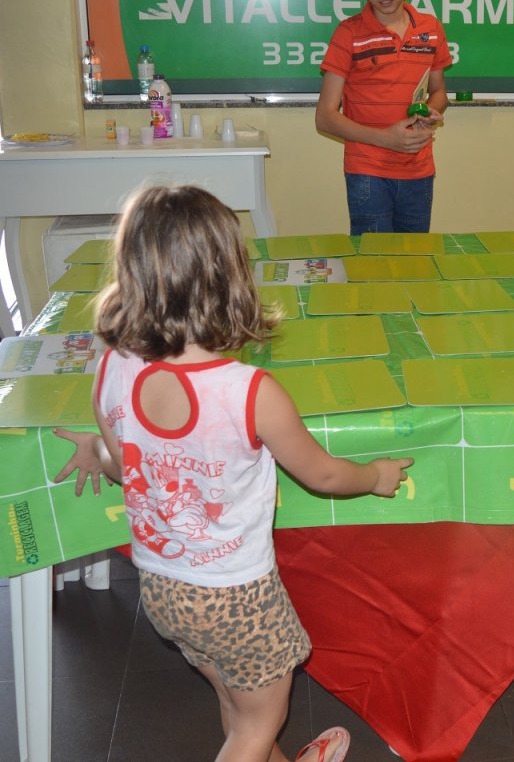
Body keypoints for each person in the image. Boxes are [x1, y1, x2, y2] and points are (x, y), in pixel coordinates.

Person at [53, 184, 413, 762]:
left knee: (237, 701)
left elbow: (128, 470)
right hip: (238, 597)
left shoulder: (112, 369)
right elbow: (321, 475)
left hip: (165, 590)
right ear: (229, 276)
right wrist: (374, 476)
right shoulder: (250, 393)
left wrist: (94, 451)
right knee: (258, 722)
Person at [315, 0, 452, 235]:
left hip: (419, 170)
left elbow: (439, 91)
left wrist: (431, 111)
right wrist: (386, 139)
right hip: (368, 171)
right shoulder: (348, 33)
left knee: (414, 264)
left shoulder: (430, 29)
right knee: (373, 267)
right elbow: (324, 117)